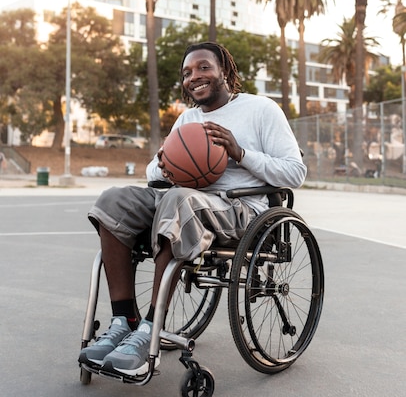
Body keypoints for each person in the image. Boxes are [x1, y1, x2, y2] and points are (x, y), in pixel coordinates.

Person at [79, 42, 306, 377]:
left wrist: (239, 152)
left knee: (178, 201)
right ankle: (122, 321)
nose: (194, 77)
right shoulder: (188, 119)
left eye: (203, 68)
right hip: (184, 200)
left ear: (225, 72)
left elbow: (294, 173)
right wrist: (162, 167)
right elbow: (154, 173)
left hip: (239, 209)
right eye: (187, 73)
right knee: (113, 199)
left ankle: (147, 331)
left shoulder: (261, 110)